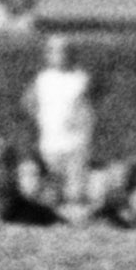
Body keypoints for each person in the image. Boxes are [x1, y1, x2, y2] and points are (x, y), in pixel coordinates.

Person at [23, 33, 98, 215]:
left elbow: (92, 105)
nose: (59, 54)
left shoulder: (82, 78)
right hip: (50, 143)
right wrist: (42, 120)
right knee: (51, 188)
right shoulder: (42, 79)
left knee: (75, 190)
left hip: (77, 142)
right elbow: (28, 102)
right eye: (53, 51)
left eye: (63, 50)